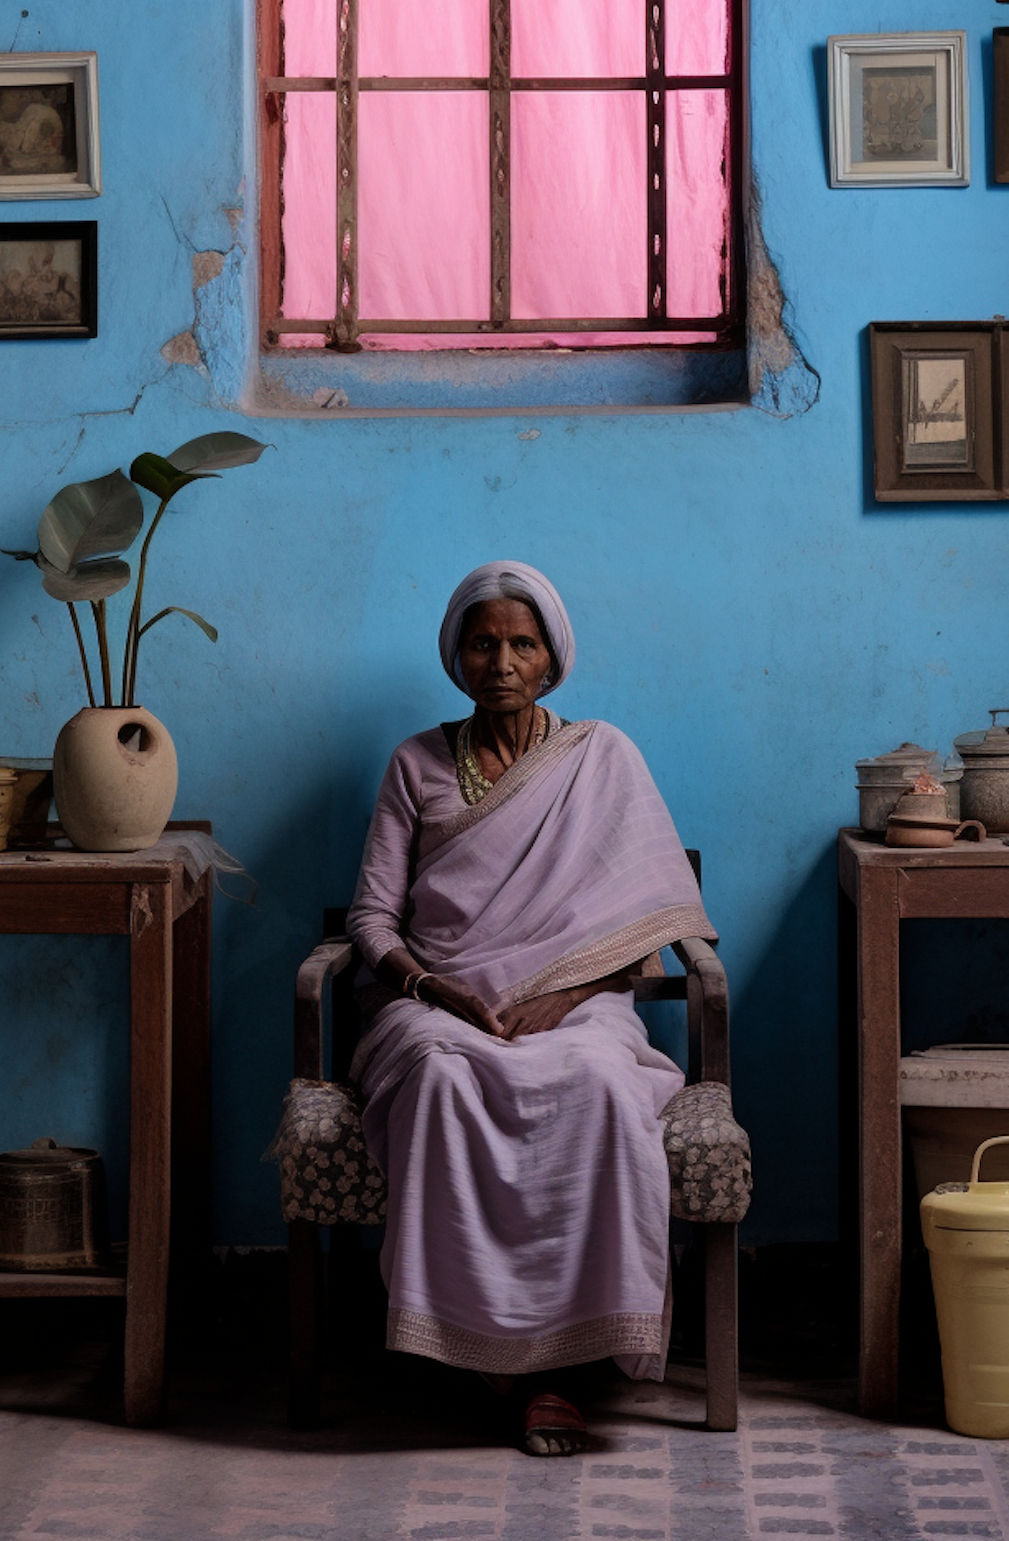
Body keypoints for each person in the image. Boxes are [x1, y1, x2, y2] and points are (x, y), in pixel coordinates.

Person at [347, 561, 714, 1457]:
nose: (501, 661)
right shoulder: (416, 764)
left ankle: (558, 1368)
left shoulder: (602, 757)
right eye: (483, 643)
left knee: (594, 1078)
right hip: (441, 999)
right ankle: (491, 1358)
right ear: (456, 657)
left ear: (552, 659)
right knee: (437, 1076)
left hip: (579, 1002)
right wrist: (437, 990)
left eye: (521, 643)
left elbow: (650, 919)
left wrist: (564, 994)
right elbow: (369, 918)